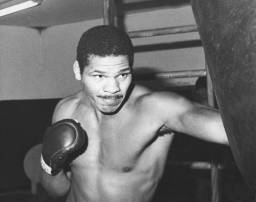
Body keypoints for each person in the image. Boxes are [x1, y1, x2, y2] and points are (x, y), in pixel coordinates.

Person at [25, 25, 228, 202]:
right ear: (78, 71)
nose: (113, 88)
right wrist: (50, 163)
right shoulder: (66, 110)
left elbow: (230, 131)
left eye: (122, 75)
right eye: (99, 75)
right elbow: (56, 190)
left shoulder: (156, 110)